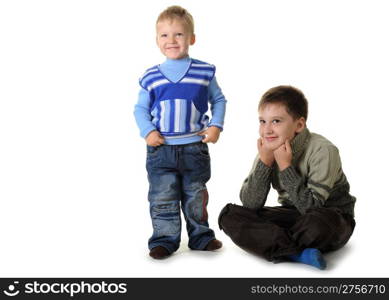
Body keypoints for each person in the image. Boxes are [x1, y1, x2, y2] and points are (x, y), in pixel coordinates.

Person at [218, 86, 356, 269]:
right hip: (294, 215)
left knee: (318, 223)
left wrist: (285, 166)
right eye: (262, 121)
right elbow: (250, 205)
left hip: (331, 216)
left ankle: (275, 243)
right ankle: (297, 253)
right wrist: (265, 163)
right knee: (229, 215)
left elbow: (311, 208)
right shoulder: (267, 151)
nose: (267, 130)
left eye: (276, 121)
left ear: (299, 125)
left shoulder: (323, 150)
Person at [134, 6, 227, 259]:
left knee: (196, 196)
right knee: (162, 196)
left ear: (191, 39)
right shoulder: (151, 76)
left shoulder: (204, 72)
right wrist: (148, 131)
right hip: (160, 149)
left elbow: (218, 100)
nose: (171, 41)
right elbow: (140, 109)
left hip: (194, 148)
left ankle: (201, 237)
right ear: (157, 41)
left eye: (179, 34)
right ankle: (164, 240)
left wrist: (216, 125)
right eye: (164, 35)